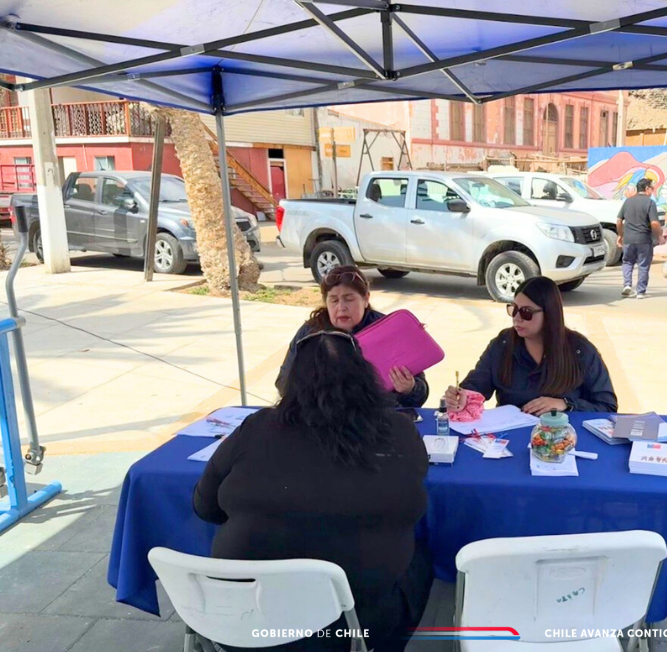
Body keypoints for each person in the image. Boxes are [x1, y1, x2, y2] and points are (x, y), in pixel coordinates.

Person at [194, 332, 432, 652]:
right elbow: (411, 496)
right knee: (422, 558)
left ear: (291, 380)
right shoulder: (399, 430)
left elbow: (205, 507)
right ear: (365, 375)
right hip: (351, 628)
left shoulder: (256, 426)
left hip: (248, 624)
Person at [443, 276, 617, 415]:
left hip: (563, 441)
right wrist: (461, 396)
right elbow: (475, 387)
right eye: (514, 309)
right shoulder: (503, 345)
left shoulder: (580, 350)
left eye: (526, 312)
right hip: (511, 438)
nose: (517, 318)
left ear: (549, 314)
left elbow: (606, 406)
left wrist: (565, 404)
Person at [276, 266, 428, 407]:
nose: (341, 307)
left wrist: (410, 389)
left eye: (349, 299)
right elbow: (283, 382)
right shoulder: (311, 332)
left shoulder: (389, 330)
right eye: (334, 300)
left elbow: (421, 393)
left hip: (378, 418)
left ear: (366, 299)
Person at [617, 178, 664, 299]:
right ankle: (640, 292)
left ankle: (627, 285)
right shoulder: (650, 203)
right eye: (652, 188)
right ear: (647, 189)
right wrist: (659, 236)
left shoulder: (628, 201)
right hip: (644, 240)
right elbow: (654, 223)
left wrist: (620, 235)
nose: (652, 191)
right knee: (643, 265)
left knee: (627, 262)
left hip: (628, 239)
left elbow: (618, 220)